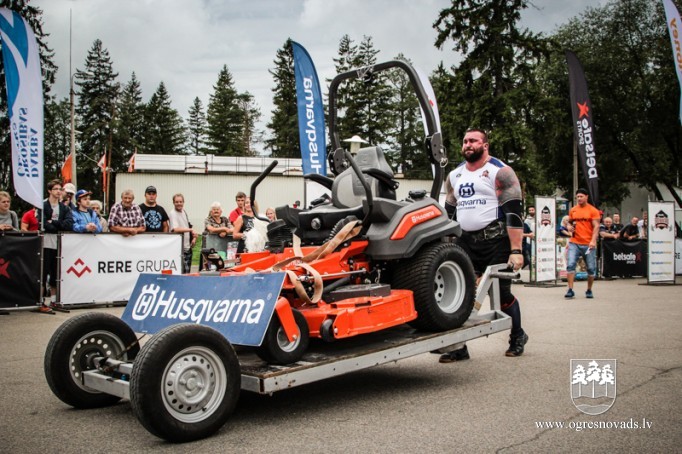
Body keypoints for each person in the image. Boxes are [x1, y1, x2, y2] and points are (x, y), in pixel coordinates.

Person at [440, 128, 528, 361]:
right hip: (465, 242)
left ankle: (517, 335)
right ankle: (459, 346)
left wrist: (516, 250)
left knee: (501, 293)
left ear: (485, 145)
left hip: (496, 242)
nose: (468, 144)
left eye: (473, 141)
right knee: (460, 294)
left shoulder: (501, 172)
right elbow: (448, 214)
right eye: (465, 141)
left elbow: (514, 214)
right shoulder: (455, 175)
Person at [37, 179, 74, 311]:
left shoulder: (64, 208)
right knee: (43, 272)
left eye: (60, 189)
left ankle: (54, 301)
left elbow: (68, 224)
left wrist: (53, 222)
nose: (59, 192)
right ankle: (40, 301)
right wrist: (56, 225)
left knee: (55, 273)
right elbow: (42, 224)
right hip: (46, 243)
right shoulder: (42, 206)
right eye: (56, 189)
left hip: (59, 243)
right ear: (49, 191)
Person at [564, 188, 600, 299]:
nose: (579, 198)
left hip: (588, 243)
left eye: (581, 196)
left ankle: (589, 290)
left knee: (591, 268)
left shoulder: (593, 210)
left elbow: (596, 226)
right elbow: (569, 222)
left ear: (586, 197)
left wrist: (593, 240)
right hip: (574, 242)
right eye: (578, 197)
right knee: (570, 265)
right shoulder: (573, 210)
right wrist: (569, 226)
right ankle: (570, 289)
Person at [168, 193, 198, 273]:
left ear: (183, 202)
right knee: (182, 273)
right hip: (179, 249)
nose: (179, 204)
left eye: (180, 202)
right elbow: (175, 229)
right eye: (177, 202)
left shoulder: (184, 212)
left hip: (187, 247)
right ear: (173, 203)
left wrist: (193, 238)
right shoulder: (173, 213)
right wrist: (190, 230)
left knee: (187, 273)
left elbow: (187, 226)